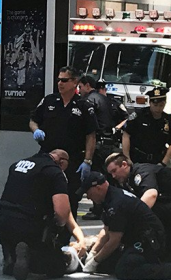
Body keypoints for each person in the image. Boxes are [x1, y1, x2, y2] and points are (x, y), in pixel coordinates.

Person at [0, 149, 87, 280]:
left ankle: (11, 256)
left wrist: (80, 239)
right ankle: (32, 257)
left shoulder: (17, 165)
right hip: (29, 226)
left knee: (16, 245)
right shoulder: (54, 172)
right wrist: (57, 230)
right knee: (56, 268)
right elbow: (63, 212)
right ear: (61, 162)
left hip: (2, 222)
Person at [29, 66, 98, 226]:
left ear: (75, 82)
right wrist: (36, 130)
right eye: (59, 80)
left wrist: (87, 161)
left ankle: (66, 236)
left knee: (70, 199)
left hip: (72, 160)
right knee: (44, 195)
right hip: (48, 157)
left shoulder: (84, 105)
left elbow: (91, 135)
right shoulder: (49, 101)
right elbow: (33, 120)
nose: (60, 83)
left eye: (64, 80)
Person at [76, 171, 171, 279]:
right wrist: (93, 253)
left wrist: (95, 261)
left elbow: (114, 240)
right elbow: (106, 230)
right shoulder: (109, 198)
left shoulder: (116, 203)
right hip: (135, 239)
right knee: (107, 263)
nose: (88, 197)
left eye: (88, 193)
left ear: (97, 188)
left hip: (149, 240)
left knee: (125, 270)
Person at [105, 153, 171, 260]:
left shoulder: (142, 171)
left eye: (114, 171)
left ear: (124, 164)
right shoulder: (126, 182)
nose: (113, 176)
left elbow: (151, 194)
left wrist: (130, 220)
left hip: (166, 203)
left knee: (146, 218)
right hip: (164, 203)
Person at [78, 76, 116, 221]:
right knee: (107, 178)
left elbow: (88, 125)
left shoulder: (88, 101)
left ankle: (98, 209)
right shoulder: (105, 99)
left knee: (95, 179)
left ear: (87, 85)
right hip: (109, 143)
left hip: (97, 144)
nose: (79, 91)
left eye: (80, 87)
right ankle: (107, 208)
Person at [123, 87, 171, 165]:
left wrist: (164, 162)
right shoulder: (139, 115)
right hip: (137, 159)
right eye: (155, 105)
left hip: (158, 161)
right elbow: (126, 135)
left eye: (161, 105)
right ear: (150, 103)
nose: (158, 108)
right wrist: (127, 158)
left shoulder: (168, 120)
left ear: (165, 103)